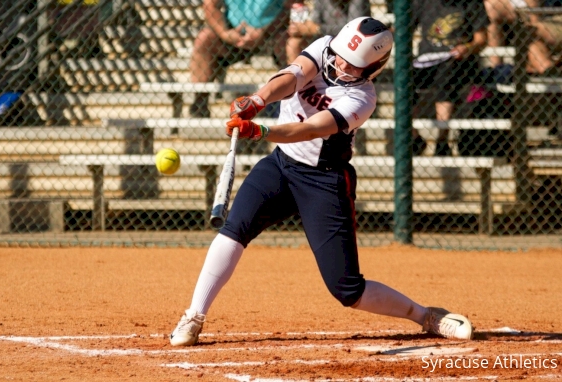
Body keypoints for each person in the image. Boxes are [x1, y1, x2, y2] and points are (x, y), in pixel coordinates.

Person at [169, 17, 474, 347]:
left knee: (347, 290)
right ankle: (194, 317)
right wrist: (258, 100)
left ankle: (425, 315)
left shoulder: (363, 98)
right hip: (281, 166)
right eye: (341, 55)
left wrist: (261, 131)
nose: (341, 64)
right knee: (234, 228)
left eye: (353, 64)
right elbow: (292, 76)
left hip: (323, 180)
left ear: (373, 68)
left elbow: (312, 129)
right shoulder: (325, 45)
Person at [411, 0, 489, 156]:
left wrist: (466, 47)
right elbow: (403, 29)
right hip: (428, 59)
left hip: (460, 62)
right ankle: (414, 137)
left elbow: (482, 39)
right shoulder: (422, 2)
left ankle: (442, 138)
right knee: (405, 75)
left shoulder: (472, 3)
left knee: (447, 71)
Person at [189, 0, 291, 118]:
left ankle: (291, 99)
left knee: (289, 42)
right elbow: (210, 5)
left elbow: (292, 7)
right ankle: (200, 102)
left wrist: (264, 32)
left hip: (272, 33)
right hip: (232, 32)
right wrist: (225, 33)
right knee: (205, 38)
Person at [286, 0, 370, 63]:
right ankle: (295, 82)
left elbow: (355, 30)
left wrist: (319, 29)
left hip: (350, 43)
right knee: (293, 43)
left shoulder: (357, 1)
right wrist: (302, 28)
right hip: (325, 38)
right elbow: (315, 24)